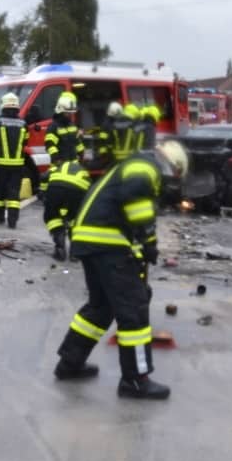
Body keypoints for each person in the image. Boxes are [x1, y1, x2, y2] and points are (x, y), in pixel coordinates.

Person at [53, 136, 169, 400]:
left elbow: (122, 214)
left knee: (101, 307)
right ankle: (135, 380)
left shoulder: (127, 165)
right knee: (134, 309)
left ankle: (69, 363)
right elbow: (138, 208)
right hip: (107, 243)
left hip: (89, 241)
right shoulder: (144, 166)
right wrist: (150, 243)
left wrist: (140, 250)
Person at [0, 93, 27, 228]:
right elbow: (26, 140)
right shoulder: (23, 123)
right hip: (18, 164)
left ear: (3, 105)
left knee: (0, 190)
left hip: (2, 164)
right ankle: (13, 221)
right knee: (14, 192)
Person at [44, 159, 91, 261]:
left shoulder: (60, 166)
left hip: (56, 187)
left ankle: (59, 244)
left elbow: (44, 176)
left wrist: (43, 192)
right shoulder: (85, 172)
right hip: (78, 190)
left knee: (52, 216)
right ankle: (75, 252)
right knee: (75, 218)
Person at [40, 93, 84, 195]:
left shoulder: (72, 126)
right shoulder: (53, 127)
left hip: (73, 164)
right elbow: (50, 145)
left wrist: (81, 154)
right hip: (60, 163)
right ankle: (44, 194)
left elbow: (77, 143)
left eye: (71, 113)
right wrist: (57, 160)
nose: (69, 115)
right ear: (60, 111)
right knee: (45, 178)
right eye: (67, 113)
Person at [97, 101, 137, 167]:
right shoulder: (110, 124)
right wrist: (105, 154)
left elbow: (105, 141)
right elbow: (104, 141)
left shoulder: (109, 123)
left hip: (114, 154)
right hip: (113, 154)